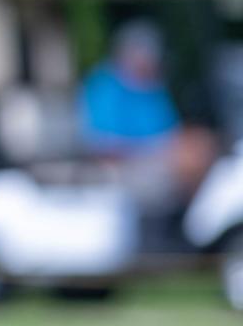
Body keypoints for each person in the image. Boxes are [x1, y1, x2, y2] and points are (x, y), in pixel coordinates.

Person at [78, 19, 216, 210]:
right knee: (193, 155)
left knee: (202, 144)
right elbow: (105, 145)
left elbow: (170, 129)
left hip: (159, 158)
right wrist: (163, 149)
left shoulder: (151, 86)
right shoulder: (105, 87)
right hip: (125, 165)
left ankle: (198, 219)